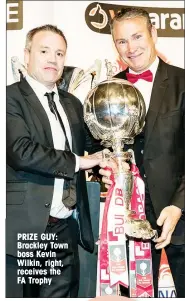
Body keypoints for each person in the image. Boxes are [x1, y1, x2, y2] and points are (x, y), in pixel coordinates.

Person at [6, 24, 105, 298]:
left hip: (63, 228)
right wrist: (80, 162)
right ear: (27, 55)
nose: (53, 59)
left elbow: (93, 144)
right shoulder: (9, 98)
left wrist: (112, 154)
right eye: (44, 51)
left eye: (59, 53)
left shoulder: (72, 103)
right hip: (22, 229)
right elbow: (20, 151)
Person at [100, 7, 185, 297]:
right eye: (121, 41)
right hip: (126, 224)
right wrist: (107, 172)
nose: (130, 47)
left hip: (179, 219)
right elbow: (102, 149)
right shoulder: (108, 89)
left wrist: (178, 205)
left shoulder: (182, 82)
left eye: (137, 36)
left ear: (154, 34)